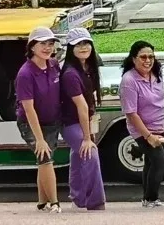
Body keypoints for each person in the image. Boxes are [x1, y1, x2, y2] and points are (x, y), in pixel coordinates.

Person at [14, 27, 64, 213]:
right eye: (43, 44)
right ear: (32, 47)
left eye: (50, 44)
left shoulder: (54, 65)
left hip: (52, 122)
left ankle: (42, 202)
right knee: (45, 159)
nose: (47, 48)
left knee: (43, 161)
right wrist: (39, 139)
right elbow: (29, 109)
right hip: (31, 124)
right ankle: (55, 203)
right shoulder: (25, 74)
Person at [59, 27, 107, 211]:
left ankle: (78, 199)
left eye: (86, 43)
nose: (83, 47)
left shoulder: (88, 68)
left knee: (78, 156)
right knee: (90, 154)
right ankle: (95, 202)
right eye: (78, 44)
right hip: (71, 123)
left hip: (84, 121)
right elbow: (82, 106)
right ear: (71, 49)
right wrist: (87, 137)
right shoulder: (71, 74)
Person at [120, 40, 164, 208]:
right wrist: (148, 136)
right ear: (134, 59)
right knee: (160, 161)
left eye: (151, 57)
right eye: (143, 57)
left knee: (150, 162)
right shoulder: (129, 80)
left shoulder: (156, 74)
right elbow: (131, 113)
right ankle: (151, 198)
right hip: (142, 130)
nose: (148, 60)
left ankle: (146, 199)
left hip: (159, 127)